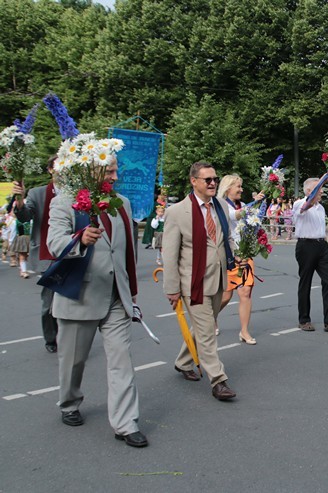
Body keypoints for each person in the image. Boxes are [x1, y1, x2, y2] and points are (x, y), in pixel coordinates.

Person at [46, 157, 147, 447]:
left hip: (116, 295)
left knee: (122, 361)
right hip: (80, 296)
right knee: (73, 361)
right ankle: (69, 402)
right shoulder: (65, 201)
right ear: (89, 171)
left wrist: (132, 291)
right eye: (109, 171)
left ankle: (126, 423)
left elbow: (129, 249)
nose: (115, 176)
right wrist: (80, 239)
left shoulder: (122, 203)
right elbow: (55, 244)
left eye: (116, 170)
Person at [163, 161, 241, 401]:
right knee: (207, 331)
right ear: (193, 181)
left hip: (217, 278)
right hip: (192, 282)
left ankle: (183, 361)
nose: (212, 183)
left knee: (203, 327)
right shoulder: (177, 211)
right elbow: (170, 253)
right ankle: (218, 380)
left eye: (214, 179)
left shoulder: (219, 206)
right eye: (207, 179)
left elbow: (225, 238)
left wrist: (236, 255)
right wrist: (172, 288)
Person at [12, 156, 60, 352]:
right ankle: (51, 339)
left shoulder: (78, 193)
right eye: (58, 166)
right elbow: (25, 216)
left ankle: (71, 337)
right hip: (47, 256)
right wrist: (20, 201)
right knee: (49, 305)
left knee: (73, 302)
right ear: (50, 169)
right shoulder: (38, 193)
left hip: (72, 255)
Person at [292, 179, 328, 333]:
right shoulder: (299, 204)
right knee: (306, 282)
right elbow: (304, 207)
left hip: (322, 246)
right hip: (306, 246)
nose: (322, 191)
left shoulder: (321, 208)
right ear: (310, 190)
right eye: (319, 188)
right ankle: (304, 319)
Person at [217, 174, 263, 345]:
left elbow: (249, 218)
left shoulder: (243, 204)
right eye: (238, 186)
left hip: (245, 253)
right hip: (229, 255)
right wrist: (255, 203)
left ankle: (244, 331)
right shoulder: (221, 205)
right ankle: (212, 318)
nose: (241, 189)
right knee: (226, 296)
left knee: (245, 292)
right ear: (228, 188)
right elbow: (235, 216)